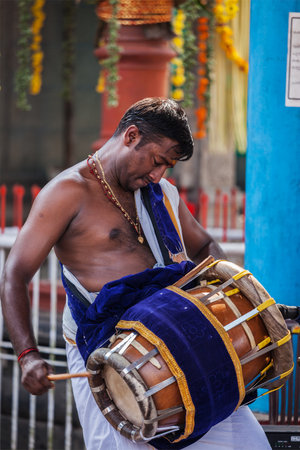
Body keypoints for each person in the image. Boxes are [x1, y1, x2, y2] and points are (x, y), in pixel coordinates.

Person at [0, 98, 271, 449]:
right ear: (131, 136)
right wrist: (27, 354)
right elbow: (15, 274)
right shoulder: (68, 193)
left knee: (246, 442)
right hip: (104, 351)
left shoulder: (161, 193)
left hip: (176, 340)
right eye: (158, 161)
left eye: (167, 167)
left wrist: (225, 295)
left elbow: (204, 246)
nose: (158, 175)